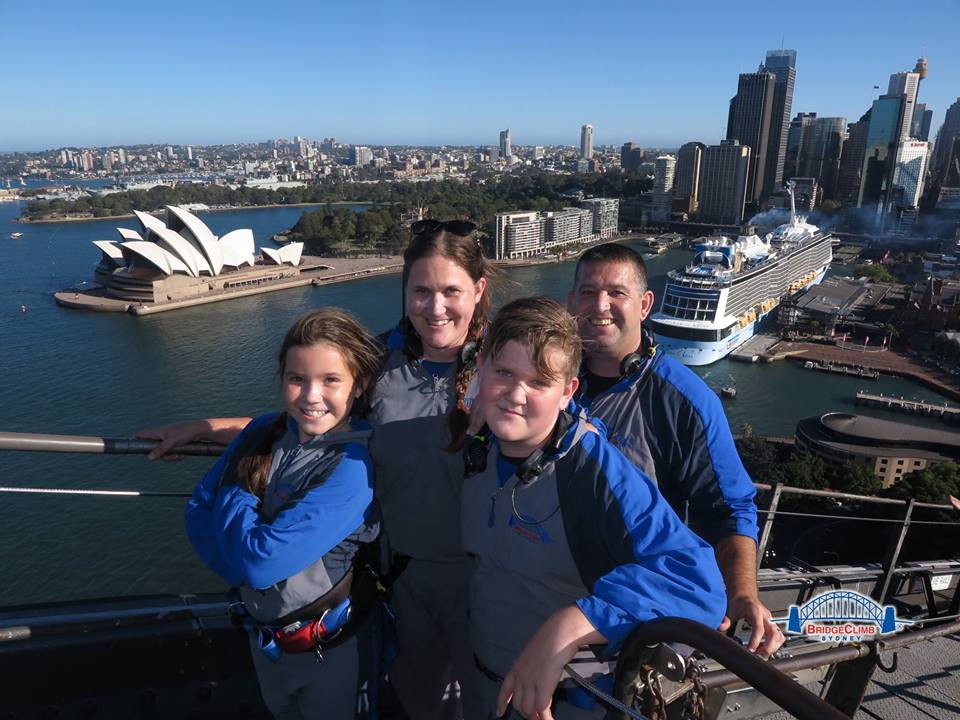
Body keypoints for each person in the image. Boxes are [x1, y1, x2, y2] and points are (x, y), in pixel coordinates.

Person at [139, 219, 493, 720]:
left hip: (487, 575)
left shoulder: (505, 366)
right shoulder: (380, 359)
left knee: (486, 701)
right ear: (405, 291)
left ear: (478, 290)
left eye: (451, 291)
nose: (436, 308)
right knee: (423, 701)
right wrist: (206, 427)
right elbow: (314, 413)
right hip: (406, 575)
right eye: (421, 291)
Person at [461, 296, 726, 720]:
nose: (515, 394)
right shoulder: (482, 443)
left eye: (539, 382)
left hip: (562, 701)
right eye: (504, 373)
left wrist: (571, 623)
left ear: (568, 392)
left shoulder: (595, 471)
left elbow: (697, 579)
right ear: (481, 372)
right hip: (482, 683)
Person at [567, 242, 783, 656]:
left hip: (635, 608)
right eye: (589, 292)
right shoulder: (546, 379)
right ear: (572, 301)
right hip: (549, 590)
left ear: (645, 304)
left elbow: (728, 509)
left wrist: (742, 592)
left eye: (617, 293)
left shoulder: (685, 400)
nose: (601, 305)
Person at [183, 308, 383, 719]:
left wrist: (238, 487)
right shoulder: (263, 429)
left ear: (359, 386)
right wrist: (241, 560)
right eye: (297, 379)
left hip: (332, 651)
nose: (311, 395)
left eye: (331, 380)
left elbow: (261, 562)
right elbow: (196, 513)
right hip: (266, 640)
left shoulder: (352, 470)